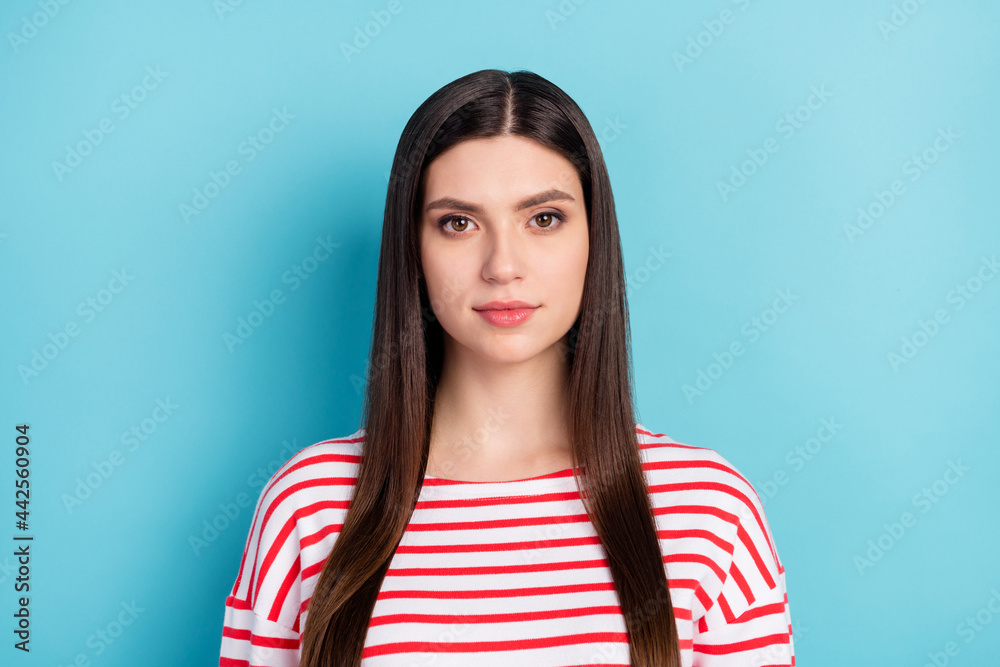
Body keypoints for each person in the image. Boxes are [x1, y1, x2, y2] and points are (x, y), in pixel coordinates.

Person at [219, 68, 794, 667]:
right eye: (458, 223)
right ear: (413, 249)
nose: (503, 265)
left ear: (594, 238)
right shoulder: (311, 507)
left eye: (543, 218)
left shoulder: (709, 509)